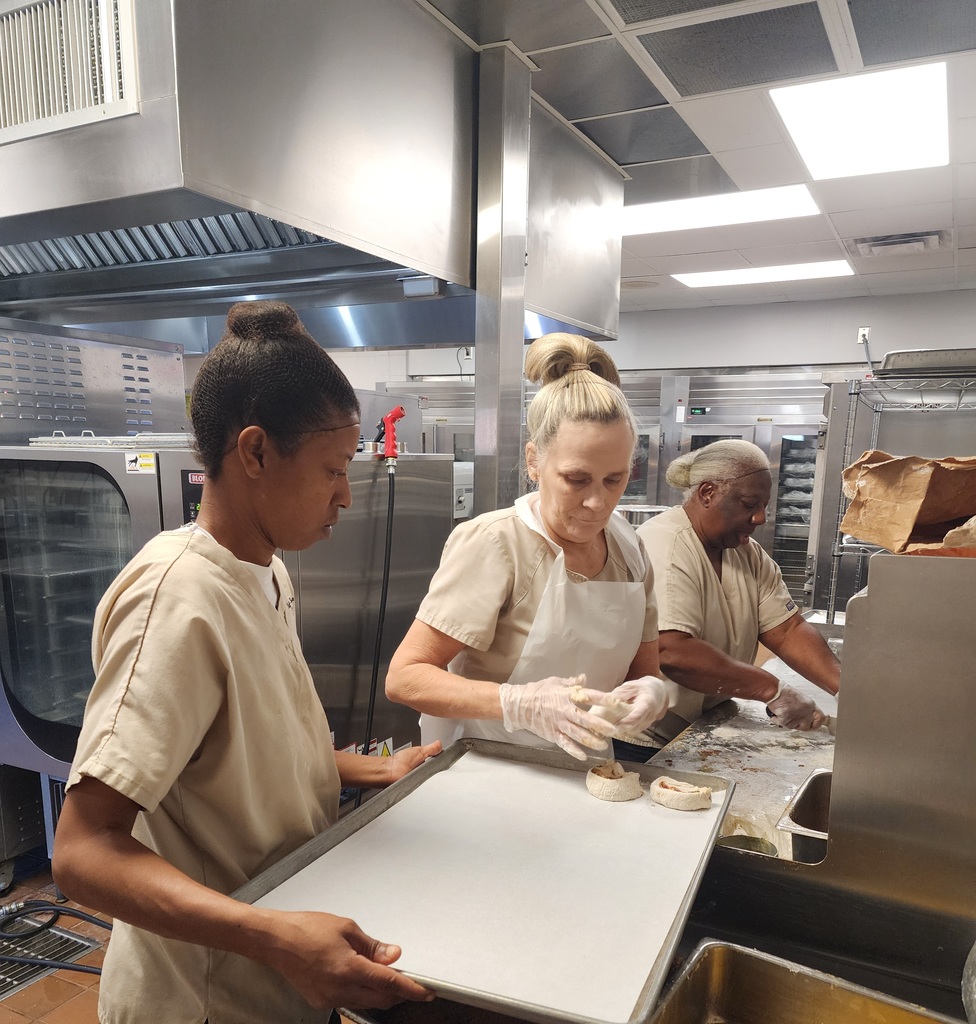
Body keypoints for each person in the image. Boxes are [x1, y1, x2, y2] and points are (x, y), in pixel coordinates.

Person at [52, 301, 439, 1024]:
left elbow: (242, 750)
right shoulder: (178, 599)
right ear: (255, 452)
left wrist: (367, 768)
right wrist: (275, 937)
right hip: (203, 997)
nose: (345, 495)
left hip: (274, 984)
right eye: (331, 469)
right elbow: (82, 851)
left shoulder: (265, 571)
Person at [386, 332, 670, 764]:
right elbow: (406, 678)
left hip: (589, 771)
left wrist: (651, 690)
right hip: (486, 772)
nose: (597, 503)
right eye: (576, 479)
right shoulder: (497, 543)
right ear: (535, 461)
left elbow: (643, 668)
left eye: (614, 480)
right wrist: (519, 703)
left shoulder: (630, 548)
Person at [635, 440, 840, 748]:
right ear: (708, 493)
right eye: (749, 504)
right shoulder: (666, 544)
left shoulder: (747, 554)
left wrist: (848, 690)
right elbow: (672, 652)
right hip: (644, 738)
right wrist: (773, 690)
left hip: (699, 728)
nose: (760, 518)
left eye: (764, 506)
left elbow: (786, 629)